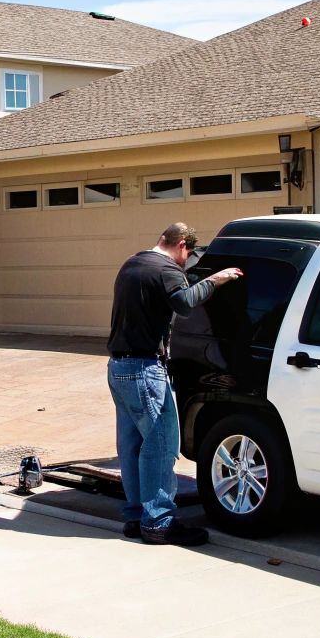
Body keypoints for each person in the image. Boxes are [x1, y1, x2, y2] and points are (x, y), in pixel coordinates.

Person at [107, 223, 242, 545]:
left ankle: (136, 517)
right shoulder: (166, 269)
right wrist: (216, 279)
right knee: (161, 446)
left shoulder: (133, 263)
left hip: (118, 367)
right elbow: (184, 303)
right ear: (181, 244)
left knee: (133, 446)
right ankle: (159, 523)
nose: (187, 262)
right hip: (143, 370)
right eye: (189, 255)